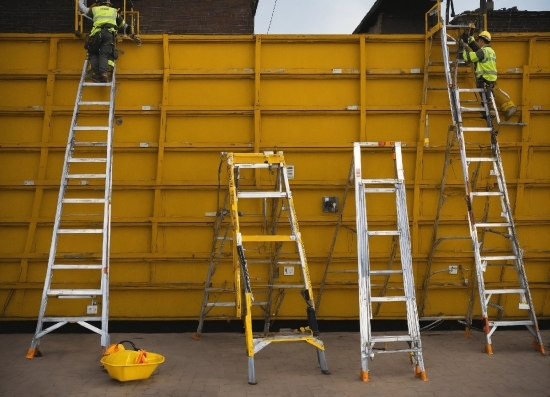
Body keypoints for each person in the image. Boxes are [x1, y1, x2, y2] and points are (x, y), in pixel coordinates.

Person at [461, 30, 517, 121]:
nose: (478, 43)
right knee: (488, 97)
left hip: (484, 79)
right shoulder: (491, 51)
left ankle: (491, 112)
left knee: (487, 99)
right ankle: (491, 111)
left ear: (481, 41)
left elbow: (468, 58)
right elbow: (478, 50)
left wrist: (464, 47)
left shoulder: (482, 52)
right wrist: (470, 40)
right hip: (490, 80)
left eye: (478, 41)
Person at [84, 0, 127, 82]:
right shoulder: (114, 11)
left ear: (99, 3)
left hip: (96, 35)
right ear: (109, 4)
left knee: (93, 53)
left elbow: (86, 18)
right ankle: (104, 75)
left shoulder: (95, 9)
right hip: (108, 35)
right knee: (104, 54)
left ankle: (96, 73)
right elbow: (122, 24)